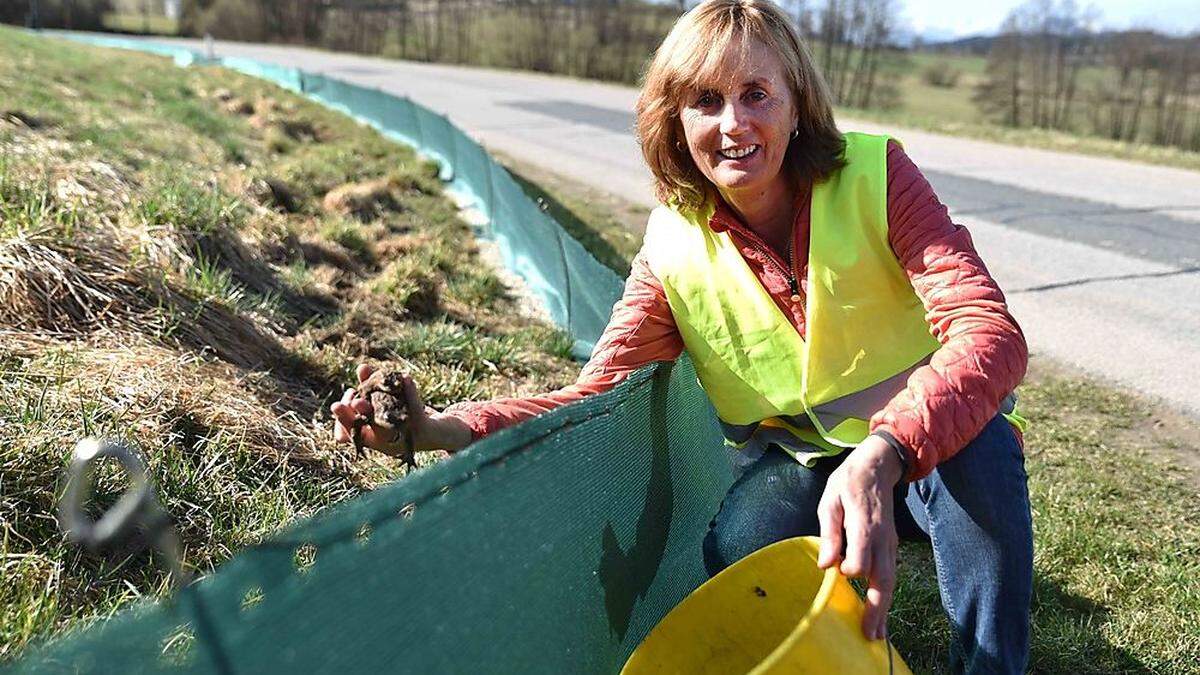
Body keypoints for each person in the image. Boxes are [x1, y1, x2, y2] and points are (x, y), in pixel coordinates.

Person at [332, 1, 1033, 672]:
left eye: (757, 93)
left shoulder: (878, 177)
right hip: (801, 463)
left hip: (922, 447)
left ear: (797, 105)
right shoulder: (671, 247)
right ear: (675, 121)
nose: (734, 123)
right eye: (705, 100)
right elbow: (594, 397)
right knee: (740, 555)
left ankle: (991, 664)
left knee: (984, 447)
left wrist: (884, 450)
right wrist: (440, 428)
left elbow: (988, 332)